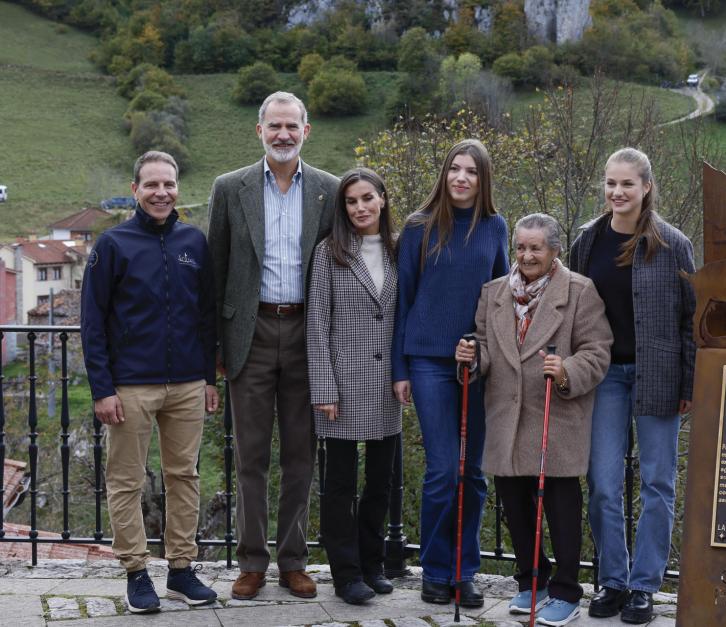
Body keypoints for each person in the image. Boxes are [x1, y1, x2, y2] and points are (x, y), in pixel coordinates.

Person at [207, 91, 339, 600]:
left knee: (301, 456)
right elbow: (216, 272)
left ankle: (293, 560)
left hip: (309, 333)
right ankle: (252, 562)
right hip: (250, 334)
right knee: (251, 456)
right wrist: (213, 352)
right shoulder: (229, 188)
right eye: (274, 126)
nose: (283, 134)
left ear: (307, 131)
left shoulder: (329, 190)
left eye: (292, 126)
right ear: (258, 131)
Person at [455, 213, 612, 627]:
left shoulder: (579, 292)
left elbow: (598, 351)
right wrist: (472, 358)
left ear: (555, 250)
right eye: (521, 247)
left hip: (555, 416)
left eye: (535, 248)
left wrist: (566, 370)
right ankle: (531, 579)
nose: (526, 255)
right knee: (514, 501)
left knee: (560, 505)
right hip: (507, 415)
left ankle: (565, 590)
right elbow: (486, 347)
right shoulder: (493, 293)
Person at [81, 151, 218, 613]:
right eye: (152, 184)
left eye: (169, 184)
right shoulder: (112, 244)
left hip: (186, 385)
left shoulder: (194, 242)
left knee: (185, 476)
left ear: (178, 188)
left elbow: (205, 316)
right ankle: (136, 573)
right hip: (129, 387)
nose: (162, 192)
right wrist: (102, 388)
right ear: (136, 188)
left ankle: (181, 570)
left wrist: (209, 377)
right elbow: (92, 322)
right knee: (126, 481)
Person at [569, 147, 696, 624]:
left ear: (646, 187)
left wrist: (689, 381)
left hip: (659, 376)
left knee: (657, 483)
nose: (617, 192)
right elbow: (573, 310)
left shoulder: (673, 244)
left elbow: (691, 319)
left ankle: (645, 586)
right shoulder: (588, 240)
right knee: (602, 482)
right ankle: (613, 581)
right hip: (605, 377)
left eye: (626, 184)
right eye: (610, 183)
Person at [391, 139, 509, 606]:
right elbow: (403, 301)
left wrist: (482, 347)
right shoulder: (419, 228)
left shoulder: (496, 228)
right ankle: (435, 570)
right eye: (454, 169)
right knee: (443, 469)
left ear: (483, 180)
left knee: (474, 472)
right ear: (444, 174)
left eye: (471, 172)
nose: (461, 178)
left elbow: (499, 300)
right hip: (427, 361)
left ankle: (465, 571)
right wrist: (400, 367)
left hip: (478, 364)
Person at [306, 168, 400, 605]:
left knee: (381, 482)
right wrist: (323, 387)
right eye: (351, 201)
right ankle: (345, 574)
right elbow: (317, 323)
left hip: (386, 385)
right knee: (340, 484)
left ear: (382, 199)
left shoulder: (402, 250)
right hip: (341, 386)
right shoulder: (330, 252)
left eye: (367, 198)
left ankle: (372, 563)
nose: (360, 207)